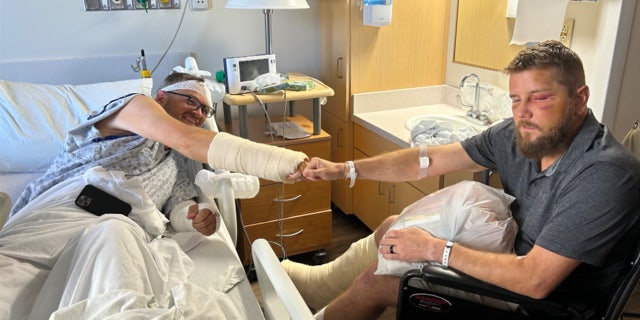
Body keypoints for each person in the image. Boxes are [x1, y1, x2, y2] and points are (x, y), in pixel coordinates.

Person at [283, 40, 640, 319]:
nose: (523, 114)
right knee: (393, 226)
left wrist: (433, 249)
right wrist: (346, 169)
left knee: (379, 282)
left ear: (580, 100)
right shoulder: (521, 134)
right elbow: (428, 160)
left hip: (546, 304)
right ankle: (319, 289)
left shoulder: (604, 174)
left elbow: (535, 280)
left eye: (540, 98)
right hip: (514, 256)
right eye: (516, 100)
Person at [0, 71, 308, 318]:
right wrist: (288, 163)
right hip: (65, 212)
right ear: (161, 97)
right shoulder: (129, 110)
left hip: (115, 231)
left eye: (204, 109)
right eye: (191, 101)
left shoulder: (174, 166)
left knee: (115, 265)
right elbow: (189, 140)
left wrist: (197, 218)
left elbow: (180, 207)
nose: (199, 113)